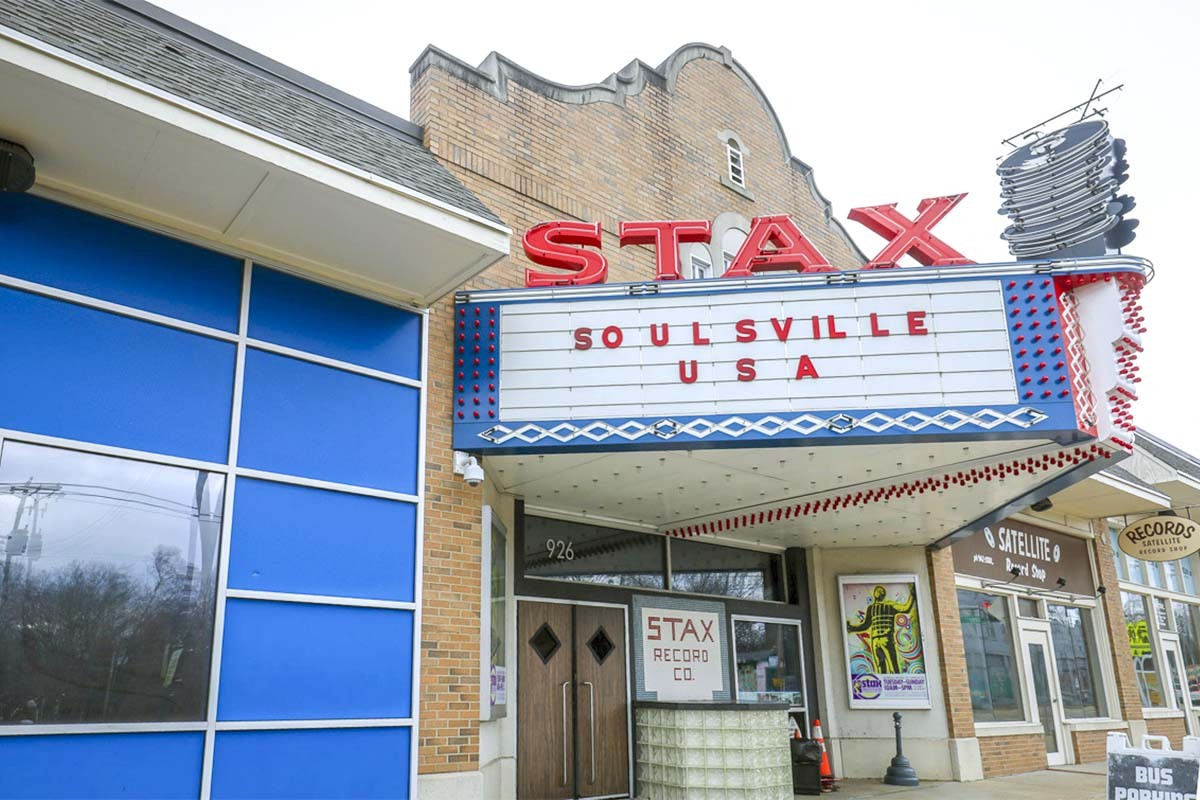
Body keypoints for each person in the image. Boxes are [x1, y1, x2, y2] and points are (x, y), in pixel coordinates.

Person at [846, 585, 915, 674]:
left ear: (875, 595)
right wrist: (912, 595)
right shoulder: (889, 606)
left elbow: (865, 626)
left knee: (882, 667)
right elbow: (906, 608)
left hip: (876, 640)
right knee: (891, 667)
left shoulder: (872, 608)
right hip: (885, 639)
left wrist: (852, 628)